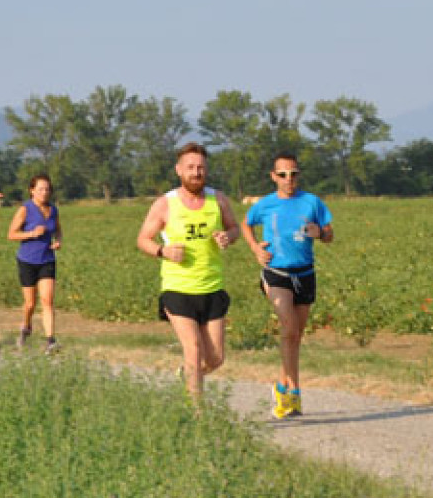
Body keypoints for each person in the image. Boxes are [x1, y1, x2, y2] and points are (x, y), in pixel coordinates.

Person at [135, 143, 242, 402]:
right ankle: (196, 414)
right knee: (193, 349)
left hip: (212, 286)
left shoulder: (218, 200)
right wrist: (163, 251)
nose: (196, 172)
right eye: (191, 167)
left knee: (215, 359)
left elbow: (235, 228)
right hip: (178, 288)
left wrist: (227, 236)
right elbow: (143, 239)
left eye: (201, 167)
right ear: (179, 170)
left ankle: (187, 376)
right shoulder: (165, 204)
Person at [243, 153, 334, 419]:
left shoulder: (312, 202)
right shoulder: (265, 204)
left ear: (299, 175)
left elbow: (329, 234)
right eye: (282, 174)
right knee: (289, 328)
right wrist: (255, 248)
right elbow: (246, 224)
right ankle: (294, 392)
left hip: (304, 274)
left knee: (295, 336)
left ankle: (281, 386)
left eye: (293, 174)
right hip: (276, 273)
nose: (288, 179)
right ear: (273, 177)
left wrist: (321, 233)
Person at [6, 174, 63, 352]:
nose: (44, 192)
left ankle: (50, 341)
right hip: (27, 260)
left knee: (47, 300)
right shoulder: (25, 209)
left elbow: (58, 229)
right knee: (30, 304)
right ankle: (26, 326)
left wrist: (58, 240)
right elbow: (11, 234)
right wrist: (32, 233)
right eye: (40, 189)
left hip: (47, 259)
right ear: (32, 191)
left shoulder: (53, 210)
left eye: (47, 189)